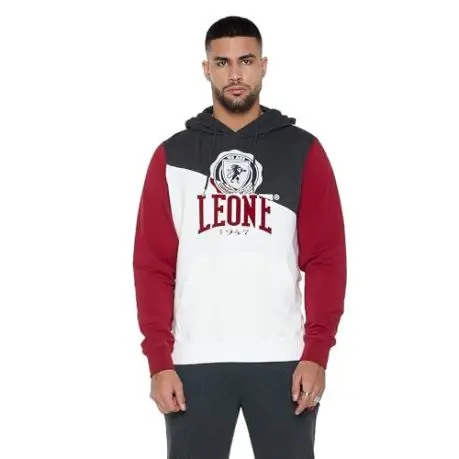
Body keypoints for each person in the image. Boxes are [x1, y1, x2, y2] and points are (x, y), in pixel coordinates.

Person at [132, 15, 347, 459]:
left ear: (263, 66)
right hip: (193, 362)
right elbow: (153, 266)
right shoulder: (172, 156)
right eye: (222, 62)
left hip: (285, 361)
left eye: (245, 61)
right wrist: (159, 360)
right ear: (206, 69)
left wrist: (316, 352)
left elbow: (326, 258)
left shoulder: (302, 150)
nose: (235, 74)